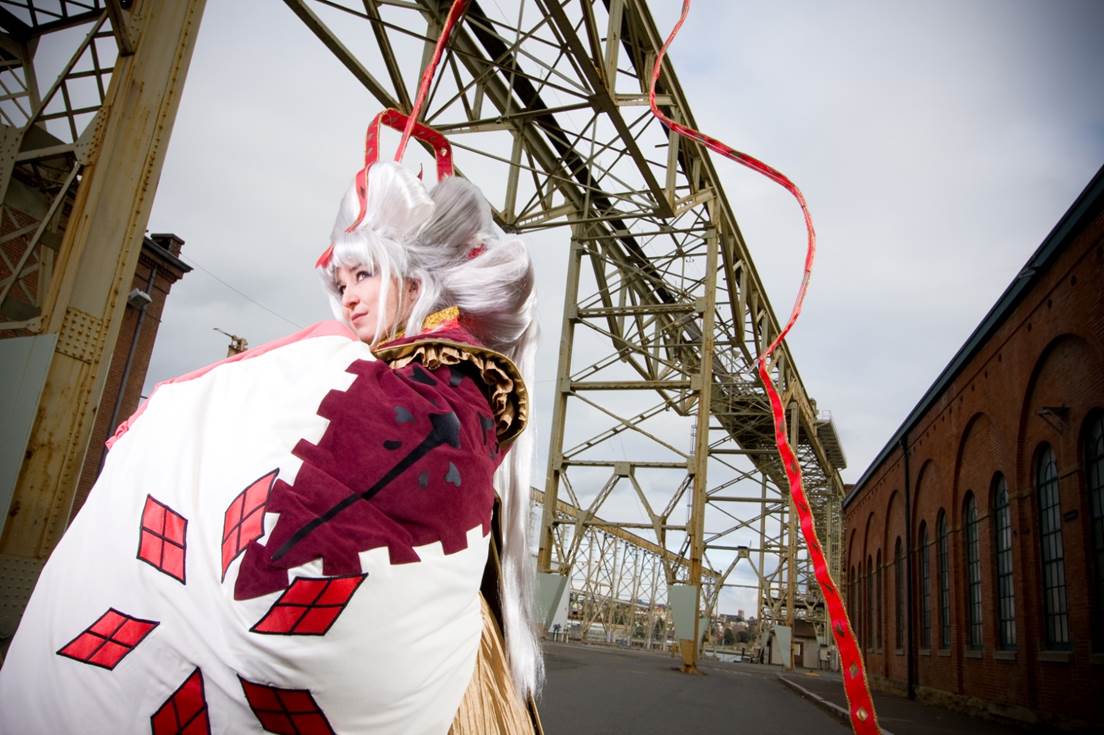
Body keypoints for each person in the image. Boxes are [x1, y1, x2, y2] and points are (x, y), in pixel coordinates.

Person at [0, 156, 543, 734]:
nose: (350, 298)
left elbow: (356, 501)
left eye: (365, 275)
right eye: (341, 284)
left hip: (434, 639)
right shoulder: (406, 371)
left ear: (413, 280)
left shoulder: (442, 375)